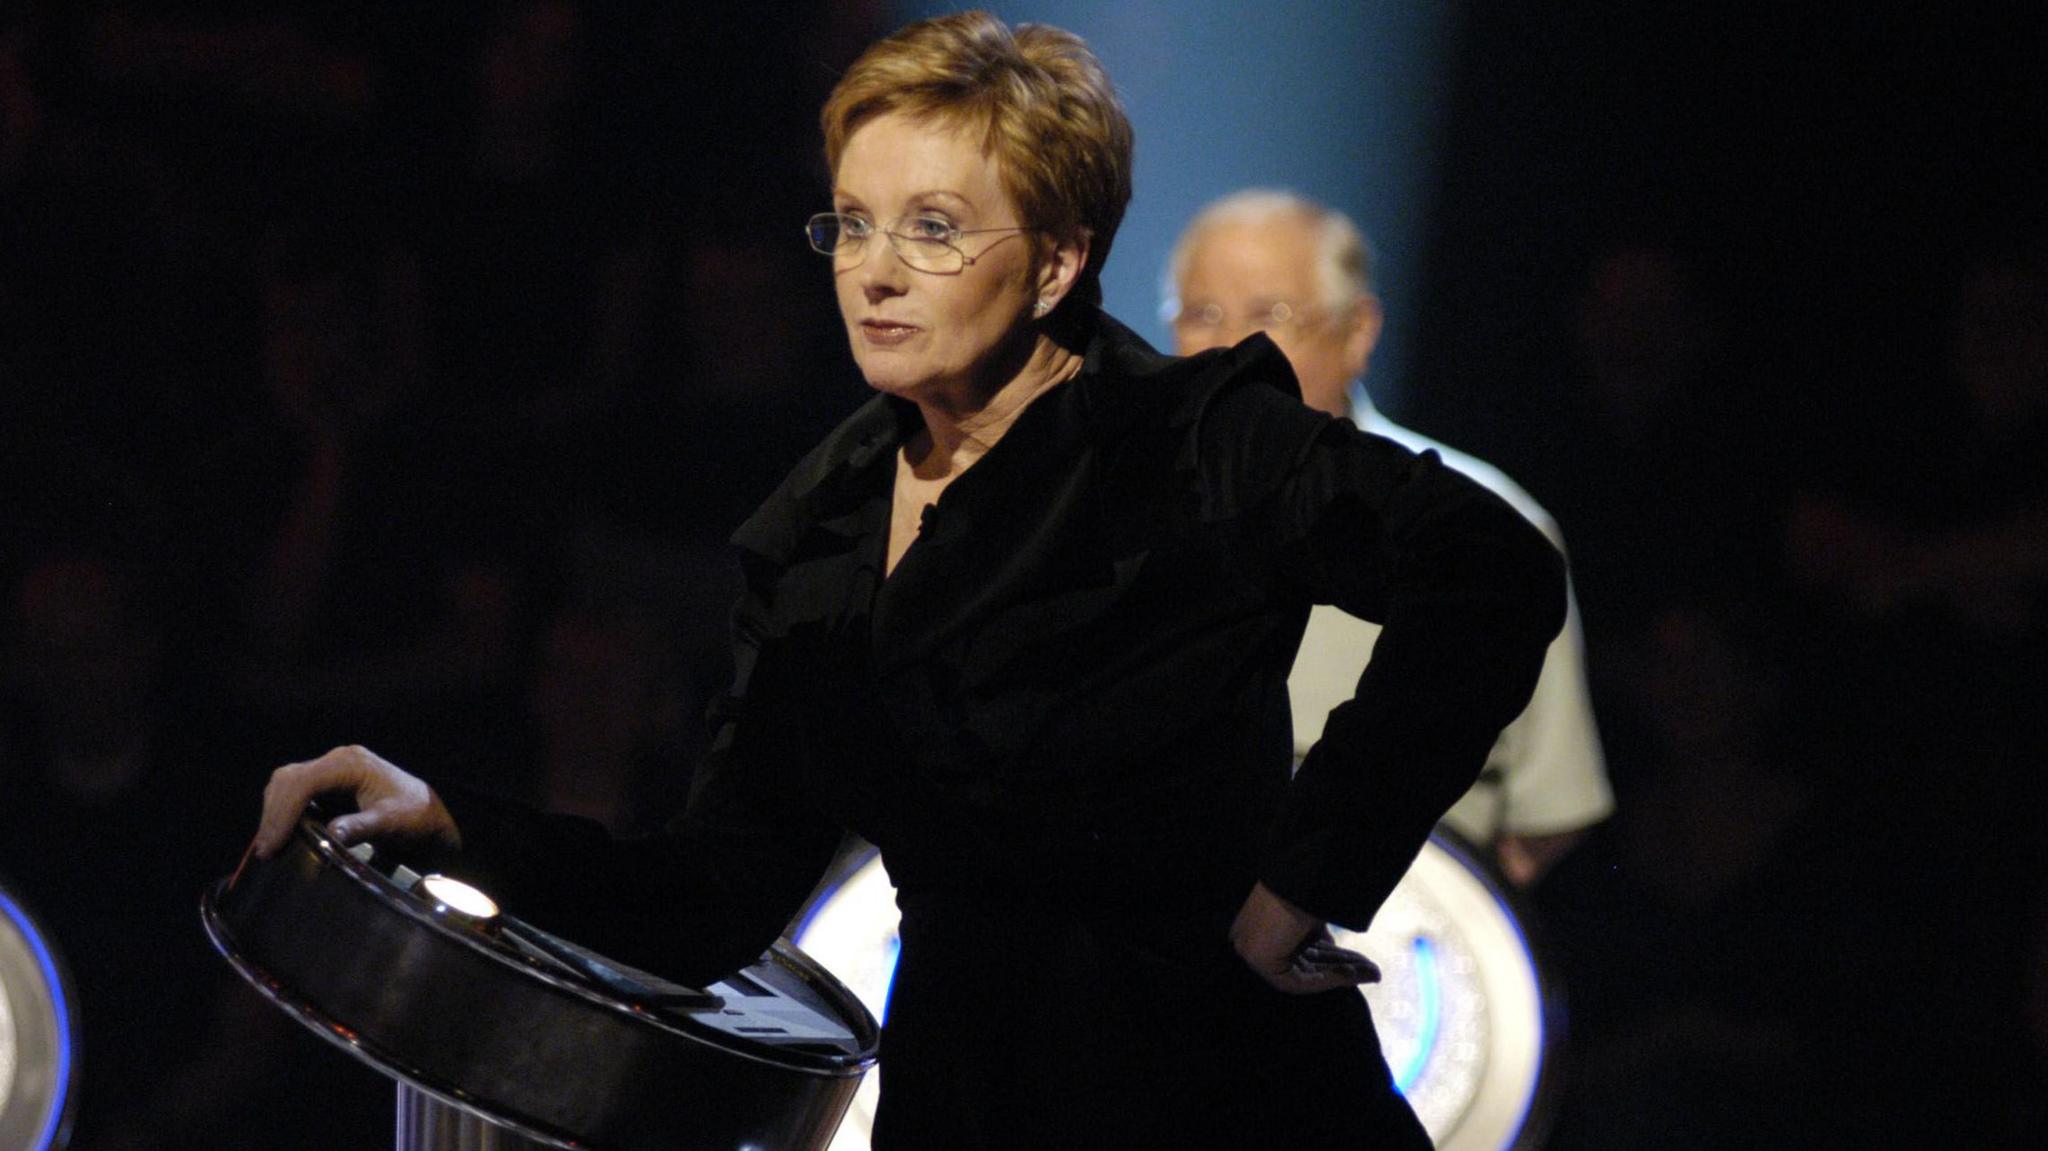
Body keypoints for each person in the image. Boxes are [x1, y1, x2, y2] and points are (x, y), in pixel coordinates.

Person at [252, 13, 1564, 1147]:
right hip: (966, 1103)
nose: (873, 270)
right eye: (853, 222)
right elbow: (715, 891)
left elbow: (1489, 568)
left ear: (1057, 260)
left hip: (1216, 1091)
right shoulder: (822, 525)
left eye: (933, 228)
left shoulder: (1190, 441)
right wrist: (451, 820)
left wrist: (1311, 870)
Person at [1166, 189, 1612, 886]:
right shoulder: (1128, 512)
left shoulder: (1483, 523)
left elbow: (1550, 810)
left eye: (1268, 315)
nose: (1230, 347)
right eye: (1202, 314)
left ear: (1358, 330)